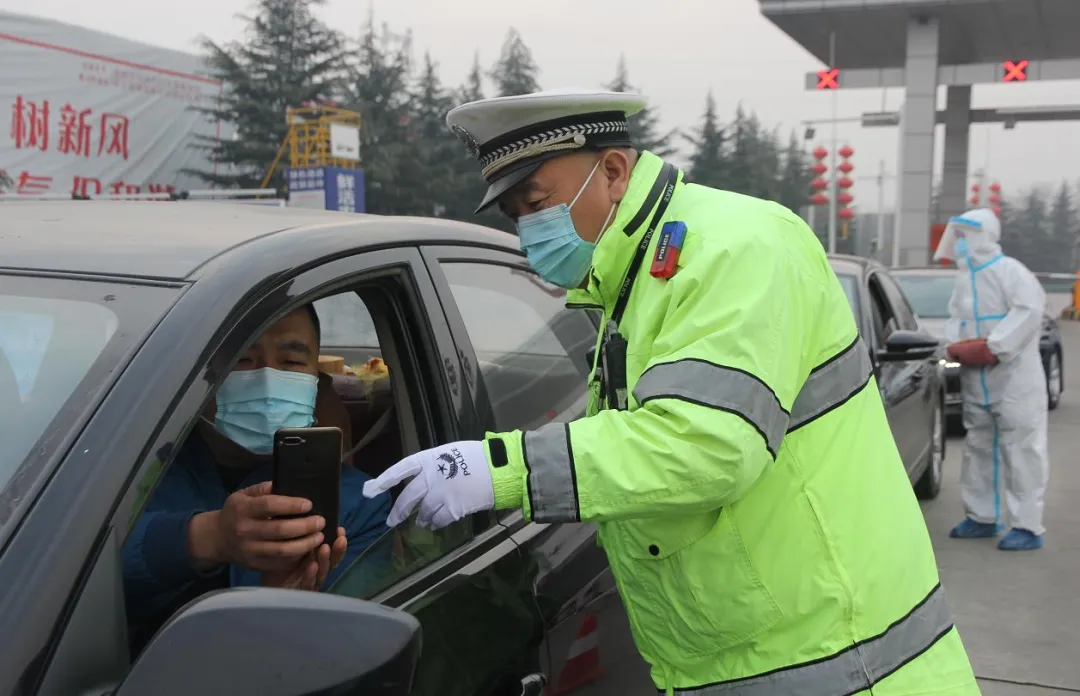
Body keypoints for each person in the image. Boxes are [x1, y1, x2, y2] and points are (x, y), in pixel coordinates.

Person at [363, 89, 978, 694]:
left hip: (843, 664)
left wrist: (500, 468)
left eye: (537, 204)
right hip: (752, 660)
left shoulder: (735, 249)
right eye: (513, 215)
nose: (528, 232)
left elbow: (704, 446)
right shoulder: (631, 281)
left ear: (612, 172)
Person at [123, 305, 391, 636]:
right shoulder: (139, 463)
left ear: (316, 382)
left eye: (291, 362)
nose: (266, 378)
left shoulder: (361, 502)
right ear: (200, 379)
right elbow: (84, 566)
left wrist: (281, 604)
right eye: (242, 360)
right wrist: (210, 537)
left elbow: (355, 636)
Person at [933, 208, 1049, 551]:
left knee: (1022, 451)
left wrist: (994, 347)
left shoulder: (1011, 272)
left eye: (965, 235)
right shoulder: (964, 280)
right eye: (957, 236)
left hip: (1014, 381)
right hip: (976, 380)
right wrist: (952, 346)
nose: (960, 242)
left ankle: (1027, 525)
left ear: (984, 235)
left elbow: (1028, 313)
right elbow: (955, 319)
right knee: (978, 448)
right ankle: (981, 517)